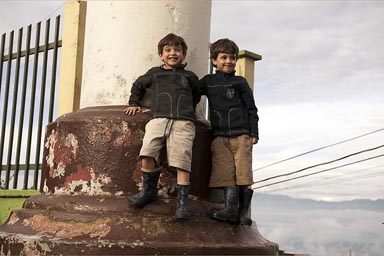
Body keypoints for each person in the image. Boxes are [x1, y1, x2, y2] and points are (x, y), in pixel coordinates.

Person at [124, 33, 200, 220]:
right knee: (147, 152)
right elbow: (138, 85)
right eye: (168, 50)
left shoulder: (190, 76)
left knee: (182, 160)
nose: (172, 53)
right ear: (161, 55)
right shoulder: (154, 73)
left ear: (183, 53)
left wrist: (188, 110)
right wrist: (134, 102)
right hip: (158, 119)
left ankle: (182, 204)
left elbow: (196, 95)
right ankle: (149, 192)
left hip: (183, 121)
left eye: (177, 49)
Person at [199, 38, 259, 225]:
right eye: (223, 57)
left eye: (232, 57)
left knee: (243, 174)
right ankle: (230, 209)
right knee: (224, 173)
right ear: (214, 61)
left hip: (242, 134)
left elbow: (252, 108)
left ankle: (243, 214)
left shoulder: (240, 82)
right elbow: (191, 91)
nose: (228, 61)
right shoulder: (208, 82)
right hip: (219, 136)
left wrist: (254, 132)